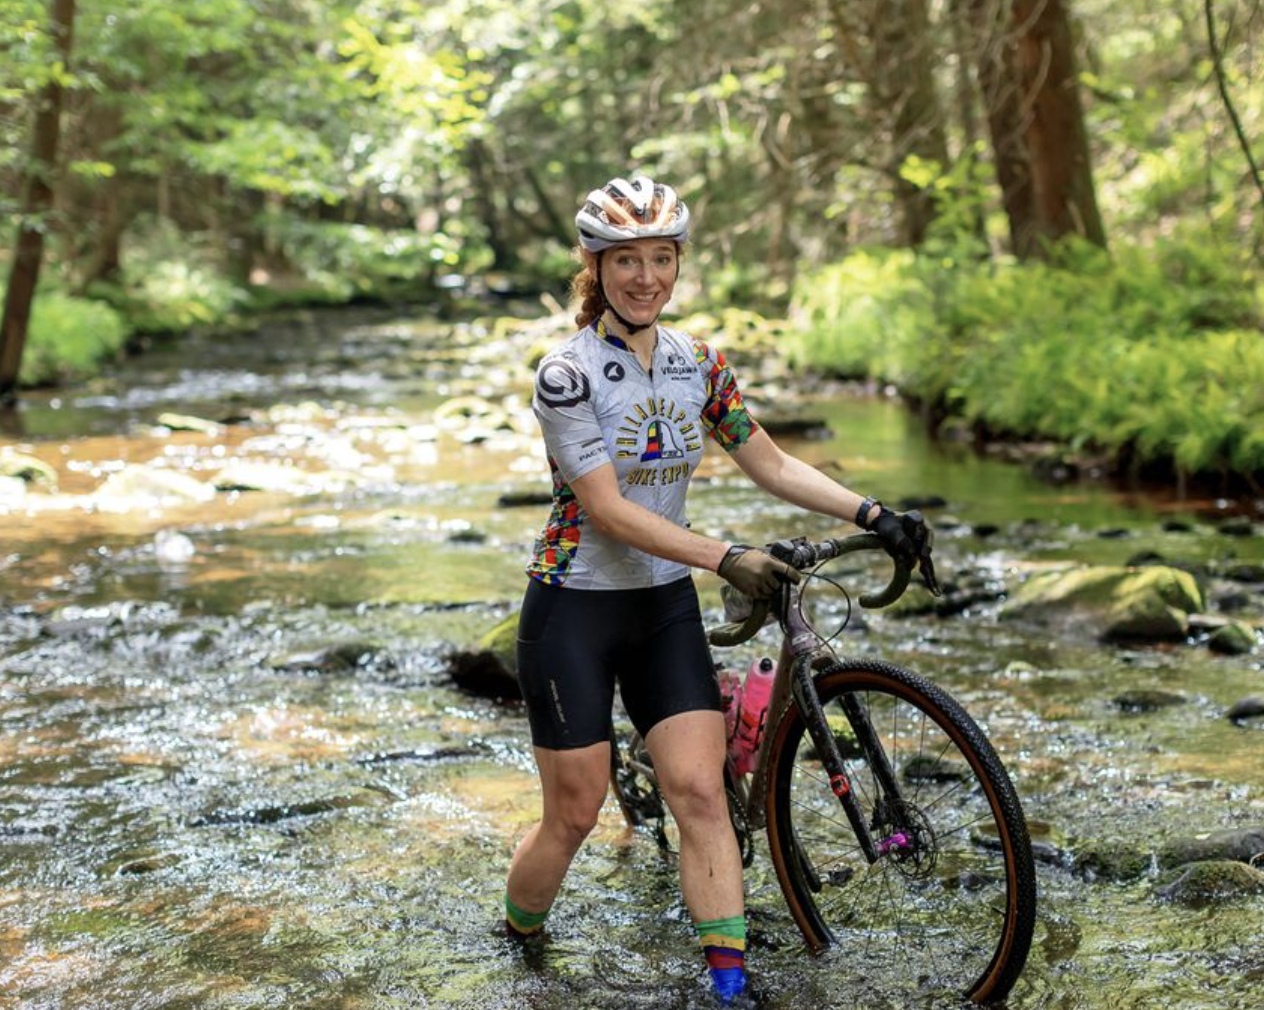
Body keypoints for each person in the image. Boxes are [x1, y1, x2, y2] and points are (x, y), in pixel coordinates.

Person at [503, 174, 934, 1005]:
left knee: (699, 790)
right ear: (596, 268)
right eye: (625, 260)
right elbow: (607, 509)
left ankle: (729, 988)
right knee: (575, 813)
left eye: (660, 258)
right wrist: (723, 554)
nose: (644, 277)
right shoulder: (567, 375)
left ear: (677, 264)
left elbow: (767, 461)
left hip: (661, 605)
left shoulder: (699, 364)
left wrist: (874, 511)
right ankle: (519, 934)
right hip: (573, 607)